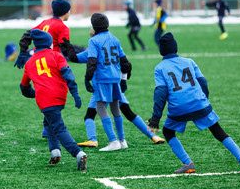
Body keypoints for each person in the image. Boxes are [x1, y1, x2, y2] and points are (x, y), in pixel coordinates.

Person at [147, 32, 240, 174]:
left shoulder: (159, 68)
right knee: (218, 132)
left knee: (168, 132)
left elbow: (160, 93)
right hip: (199, 103)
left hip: (178, 108)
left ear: (161, 52)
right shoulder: (189, 61)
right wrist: (204, 100)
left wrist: (156, 117)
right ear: (176, 49)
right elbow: (202, 82)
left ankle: (188, 163)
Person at [61, 28, 165, 148]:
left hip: (102, 86)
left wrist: (67, 47)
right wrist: (123, 80)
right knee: (128, 112)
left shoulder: (93, 48)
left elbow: (75, 58)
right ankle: (149, 136)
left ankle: (95, 140)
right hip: (115, 84)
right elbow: (126, 63)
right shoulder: (113, 42)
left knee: (90, 115)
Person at [20, 29, 87, 170]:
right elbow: (67, 73)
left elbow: (24, 87)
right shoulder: (57, 55)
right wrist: (74, 93)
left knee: (58, 126)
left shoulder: (30, 62)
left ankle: (78, 153)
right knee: (49, 121)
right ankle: (55, 151)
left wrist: (35, 93)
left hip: (45, 99)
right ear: (49, 44)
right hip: (59, 95)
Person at [84, 13, 132, 151]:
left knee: (100, 107)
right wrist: (124, 79)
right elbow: (125, 62)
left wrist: (87, 78)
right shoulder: (114, 38)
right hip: (115, 77)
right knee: (115, 107)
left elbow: (92, 62)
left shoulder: (93, 41)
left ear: (93, 26)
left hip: (102, 78)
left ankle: (113, 141)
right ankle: (122, 140)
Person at [14, 0, 71, 69]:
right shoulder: (63, 28)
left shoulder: (44, 23)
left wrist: (22, 53)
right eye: (69, 10)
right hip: (52, 62)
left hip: (37, 60)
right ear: (65, 12)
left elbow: (27, 35)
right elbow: (64, 48)